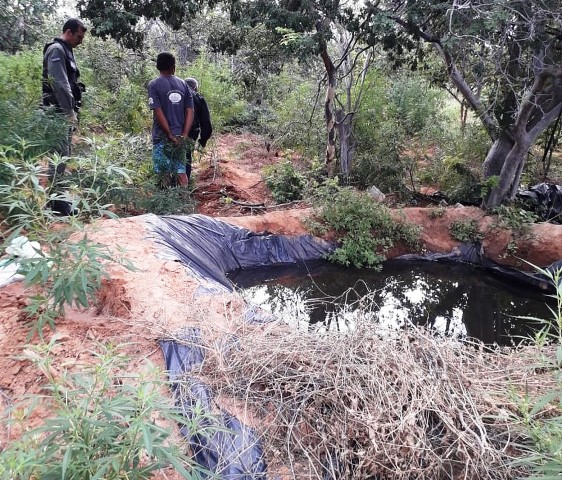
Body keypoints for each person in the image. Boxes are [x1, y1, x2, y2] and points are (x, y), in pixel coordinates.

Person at [42, 18, 87, 178]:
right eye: (79, 37)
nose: (80, 42)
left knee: (63, 153)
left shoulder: (66, 50)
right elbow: (59, 84)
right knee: (59, 156)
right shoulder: (57, 50)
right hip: (57, 113)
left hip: (63, 112)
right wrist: (69, 113)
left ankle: (58, 197)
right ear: (69, 32)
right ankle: (56, 201)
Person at [148, 53, 194, 187]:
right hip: (180, 138)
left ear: (158, 66)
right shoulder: (183, 84)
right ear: (173, 67)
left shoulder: (154, 85)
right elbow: (190, 111)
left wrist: (169, 135)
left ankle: (165, 203)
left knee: (163, 172)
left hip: (161, 137)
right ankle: (185, 201)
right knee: (181, 171)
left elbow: (158, 111)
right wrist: (184, 135)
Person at [184, 77, 213, 178]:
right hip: (190, 134)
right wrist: (203, 140)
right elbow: (206, 123)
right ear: (195, 87)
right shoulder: (197, 98)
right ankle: (184, 188)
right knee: (186, 158)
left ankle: (168, 188)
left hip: (170, 132)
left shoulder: (175, 95)